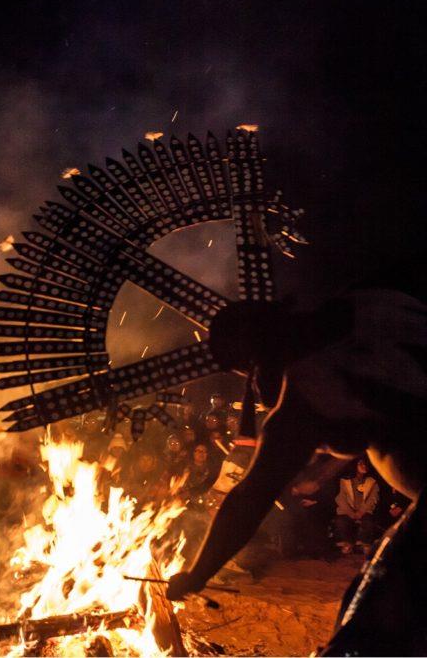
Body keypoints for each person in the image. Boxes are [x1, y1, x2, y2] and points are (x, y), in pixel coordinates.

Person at [165, 277, 427, 655]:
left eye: (247, 369)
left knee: (366, 634)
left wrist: (196, 574)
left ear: (259, 350)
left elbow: (251, 497)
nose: (253, 382)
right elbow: (365, 428)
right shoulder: (371, 301)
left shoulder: (312, 383)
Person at [334, 457, 380, 556]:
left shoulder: (372, 482)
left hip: (364, 511)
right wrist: (350, 513)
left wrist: (361, 512)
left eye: (366, 464)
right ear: (355, 465)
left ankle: (365, 544)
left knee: (368, 521)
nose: (364, 466)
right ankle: (348, 542)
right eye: (361, 464)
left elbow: (373, 499)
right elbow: (340, 498)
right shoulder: (344, 481)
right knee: (340, 521)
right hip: (348, 511)